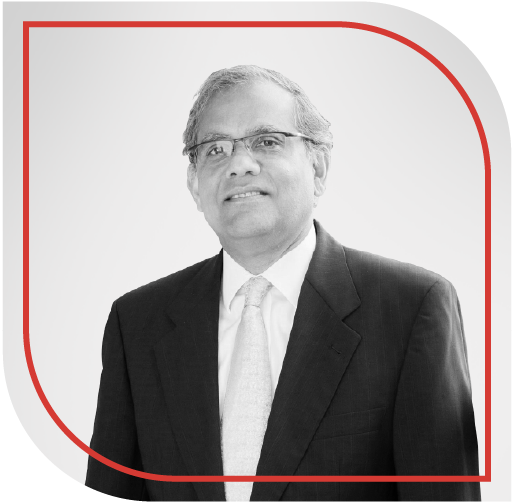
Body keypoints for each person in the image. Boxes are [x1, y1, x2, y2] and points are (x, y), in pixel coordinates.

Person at [85, 65, 480, 502]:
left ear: (318, 168)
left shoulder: (412, 308)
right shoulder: (137, 324)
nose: (239, 164)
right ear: (194, 185)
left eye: (267, 141)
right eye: (215, 149)